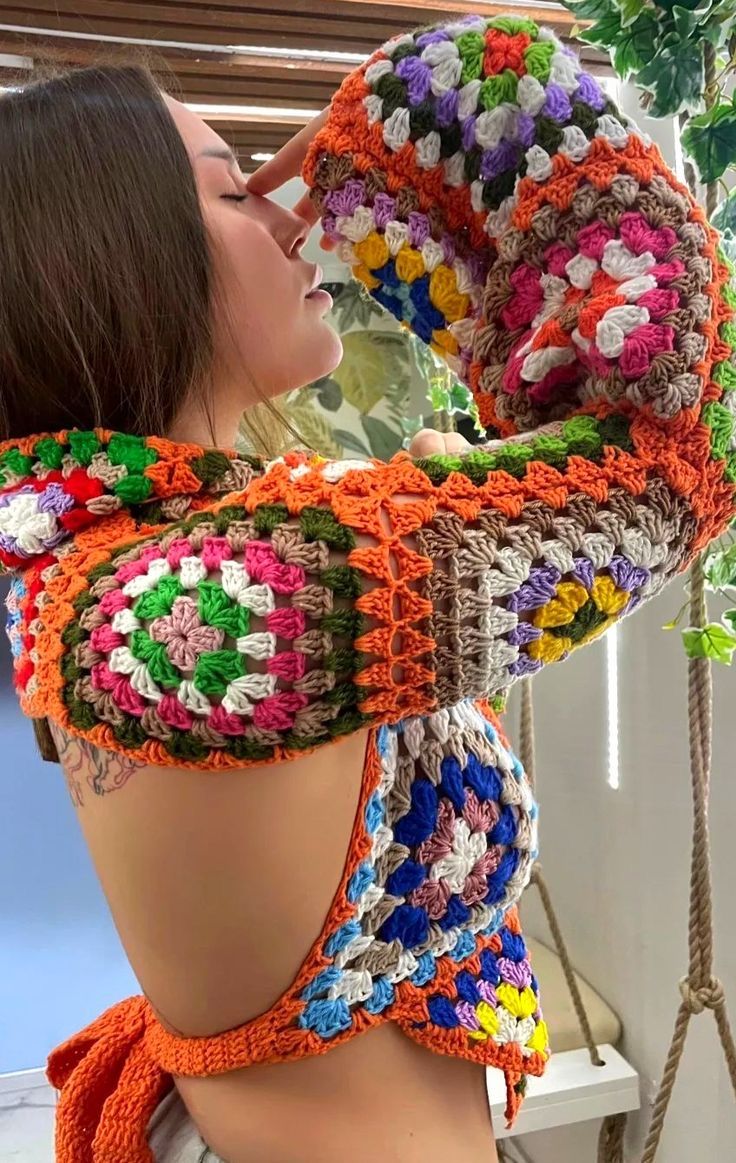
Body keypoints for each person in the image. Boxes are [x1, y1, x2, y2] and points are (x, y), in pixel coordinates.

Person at [1, 13, 734, 1163]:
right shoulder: (228, 599)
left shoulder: (89, 563)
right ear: (112, 254)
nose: (292, 220)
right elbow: (686, 457)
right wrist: (505, 101)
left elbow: (573, 455)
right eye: (235, 193)